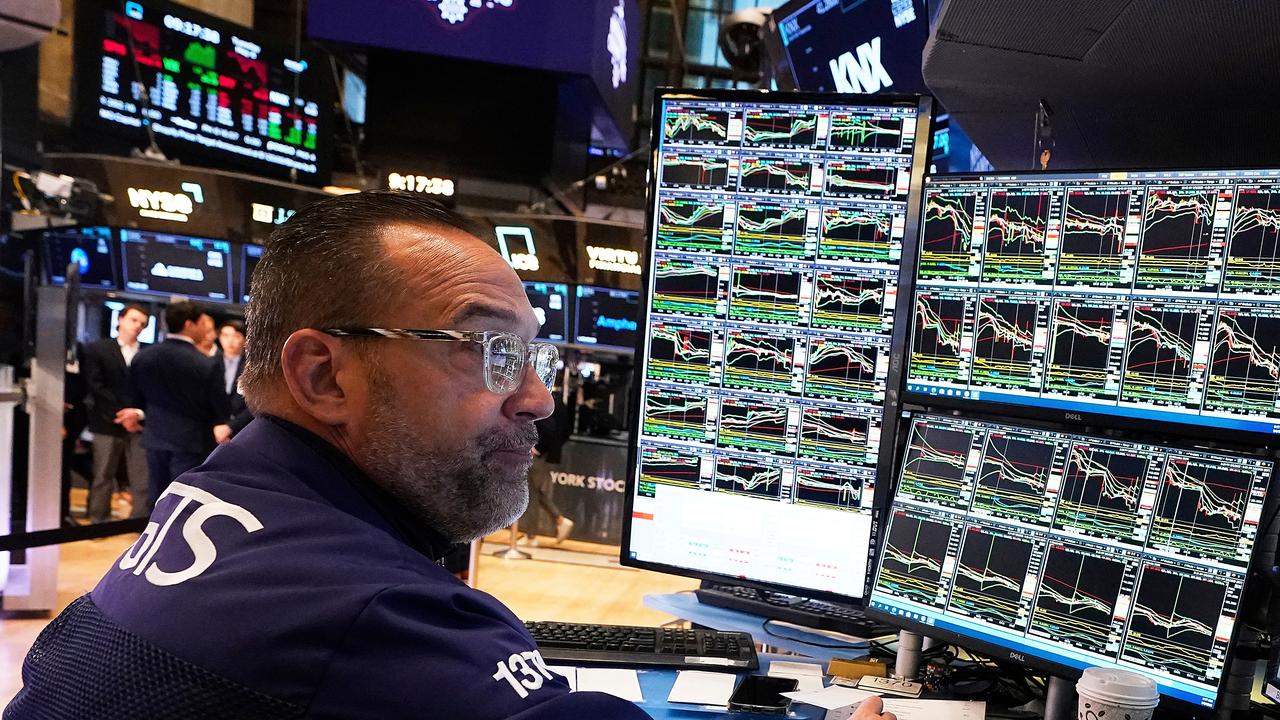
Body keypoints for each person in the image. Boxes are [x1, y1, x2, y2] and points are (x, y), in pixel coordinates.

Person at [6, 191, 645, 719]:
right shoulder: (377, 615)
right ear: (323, 377)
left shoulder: (213, 505)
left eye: (532, 357)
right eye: (489, 349)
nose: (537, 399)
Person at [116, 301, 231, 508]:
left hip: (154, 436)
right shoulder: (206, 364)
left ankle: (152, 537)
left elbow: (134, 399)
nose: (205, 329)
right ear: (189, 325)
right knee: (183, 499)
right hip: (192, 441)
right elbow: (220, 409)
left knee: (156, 496)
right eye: (201, 323)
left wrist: (140, 415)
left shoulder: (143, 357)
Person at [79, 304, 151, 522]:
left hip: (139, 422)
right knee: (103, 474)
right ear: (120, 320)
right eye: (134, 320)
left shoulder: (148, 352)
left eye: (142, 324)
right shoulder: (97, 349)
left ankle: (138, 522)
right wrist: (121, 413)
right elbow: (95, 385)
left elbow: (151, 389)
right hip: (106, 420)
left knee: (141, 477)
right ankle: (98, 520)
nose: (137, 326)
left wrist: (136, 413)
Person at [217, 319, 253, 435]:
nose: (230, 341)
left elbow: (254, 404)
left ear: (245, 340)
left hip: (240, 428)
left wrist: (231, 426)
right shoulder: (209, 363)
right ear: (220, 338)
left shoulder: (251, 368)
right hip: (212, 429)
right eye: (226, 335)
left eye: (236, 336)